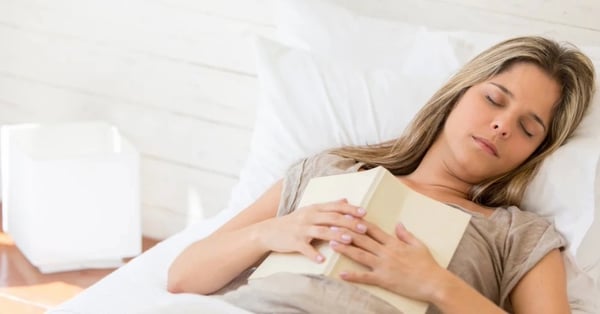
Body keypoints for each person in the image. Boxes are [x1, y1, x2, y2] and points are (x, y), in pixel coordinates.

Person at [167, 36, 596, 313]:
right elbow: (183, 275)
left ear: (534, 152)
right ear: (457, 94)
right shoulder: (328, 170)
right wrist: (270, 233)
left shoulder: (517, 234)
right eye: (494, 99)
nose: (502, 125)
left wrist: (438, 285)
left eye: (528, 128)